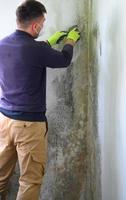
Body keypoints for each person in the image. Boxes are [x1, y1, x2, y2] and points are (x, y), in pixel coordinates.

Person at [0, 0, 80, 199]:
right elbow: (63, 60)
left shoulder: (3, 44)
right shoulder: (36, 50)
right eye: (42, 23)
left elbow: (25, 54)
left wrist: (48, 42)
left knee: (1, 176)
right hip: (29, 126)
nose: (43, 27)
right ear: (35, 25)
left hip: (4, 121)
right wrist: (70, 41)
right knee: (29, 182)